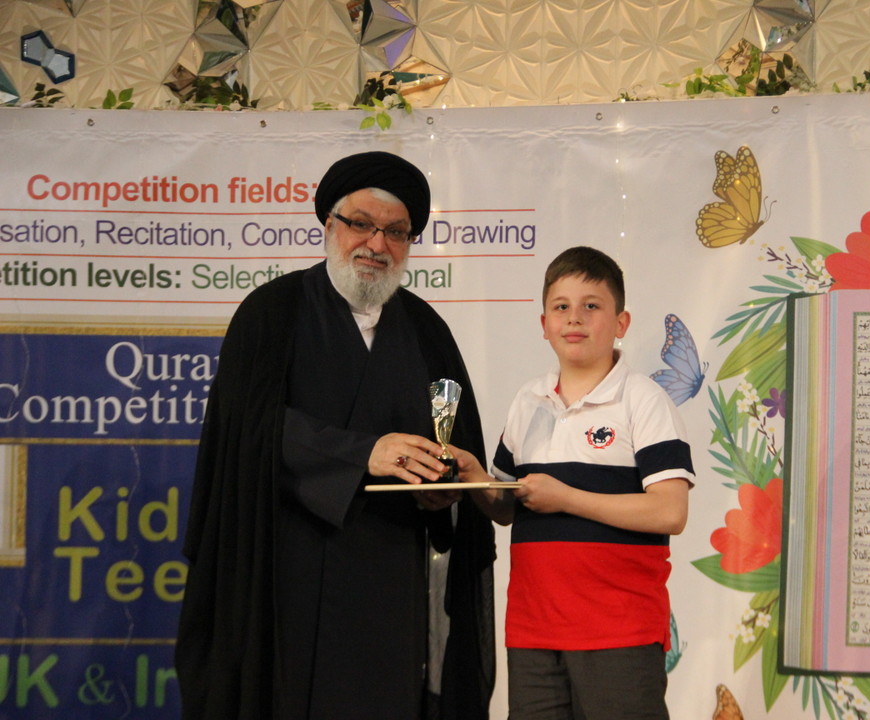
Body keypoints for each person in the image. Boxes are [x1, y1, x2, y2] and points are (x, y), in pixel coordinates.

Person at [175, 151, 496, 720]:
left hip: (393, 582)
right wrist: (363, 453)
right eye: (362, 224)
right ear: (330, 225)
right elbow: (247, 431)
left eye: (396, 232)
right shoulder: (271, 314)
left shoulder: (427, 331)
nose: (376, 244)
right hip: (285, 572)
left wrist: (442, 490)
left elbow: (453, 440)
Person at [454, 246, 694, 719]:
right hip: (533, 631)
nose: (574, 318)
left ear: (621, 322)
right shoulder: (528, 401)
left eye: (591, 305)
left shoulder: (644, 400)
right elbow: (507, 506)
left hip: (619, 631)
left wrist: (567, 498)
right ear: (544, 324)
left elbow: (670, 512)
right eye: (561, 306)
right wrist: (474, 477)